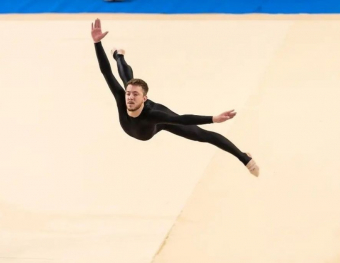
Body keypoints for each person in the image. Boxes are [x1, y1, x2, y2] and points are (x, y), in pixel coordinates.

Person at [91, 18, 259, 177]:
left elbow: (183, 120)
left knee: (202, 135)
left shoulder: (155, 115)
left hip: (156, 123)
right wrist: (97, 43)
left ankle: (244, 157)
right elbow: (106, 72)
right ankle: (119, 56)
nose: (129, 97)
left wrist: (213, 118)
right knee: (128, 83)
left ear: (145, 98)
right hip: (142, 122)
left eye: (135, 95)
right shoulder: (123, 98)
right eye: (128, 94)